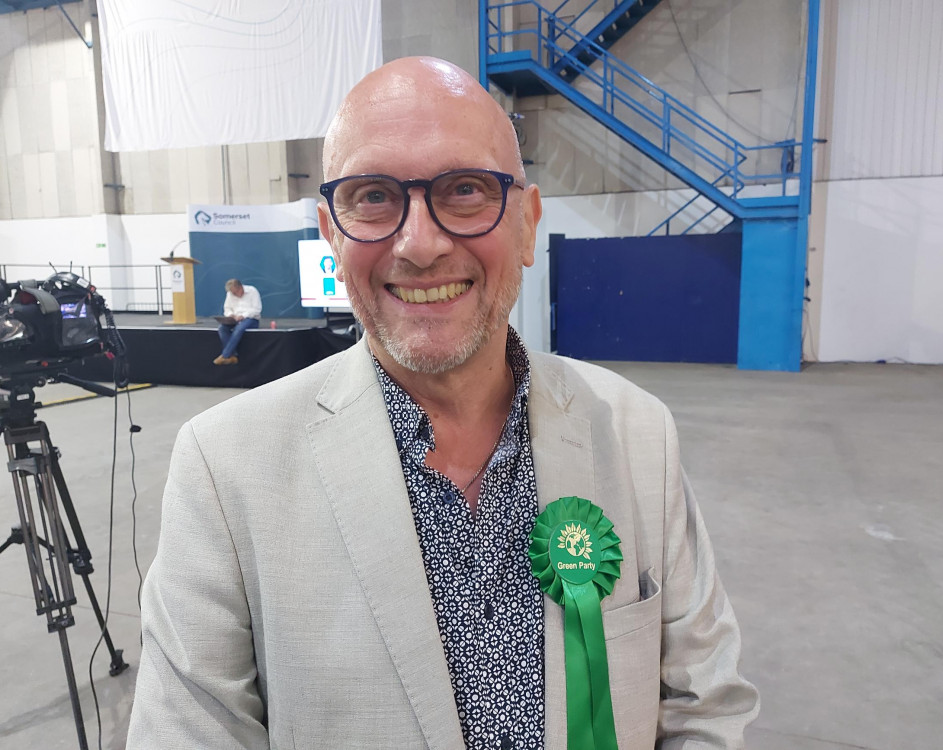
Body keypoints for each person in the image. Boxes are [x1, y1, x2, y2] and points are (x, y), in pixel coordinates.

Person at [128, 57, 759, 748]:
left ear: (527, 224)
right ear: (331, 233)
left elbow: (706, 704)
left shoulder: (640, 435)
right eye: (372, 196)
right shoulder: (225, 469)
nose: (420, 244)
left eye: (464, 190)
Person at [214, 278, 261, 365]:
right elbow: (227, 308)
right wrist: (231, 315)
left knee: (239, 329)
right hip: (235, 319)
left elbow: (257, 309)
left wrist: (243, 316)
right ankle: (233, 356)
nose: (234, 295)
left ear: (240, 288)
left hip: (251, 319)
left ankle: (225, 355)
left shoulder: (252, 291)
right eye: (232, 293)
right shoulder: (230, 294)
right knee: (222, 328)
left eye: (235, 293)